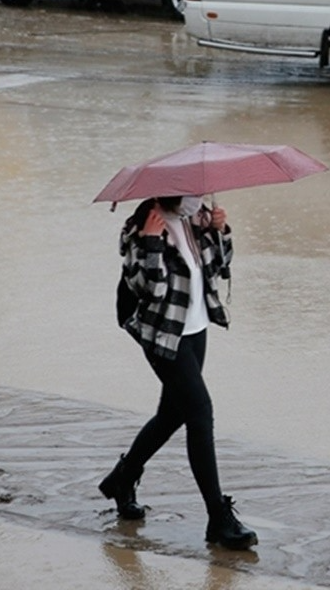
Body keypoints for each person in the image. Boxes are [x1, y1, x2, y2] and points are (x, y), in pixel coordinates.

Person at [98, 195, 257, 551]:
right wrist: (152, 242)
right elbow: (149, 289)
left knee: (173, 414)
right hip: (163, 334)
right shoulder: (142, 227)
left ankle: (122, 479)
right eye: (190, 195)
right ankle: (218, 518)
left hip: (196, 328)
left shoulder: (195, 219)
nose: (197, 200)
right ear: (170, 193)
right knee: (200, 414)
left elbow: (219, 268)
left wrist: (219, 231)